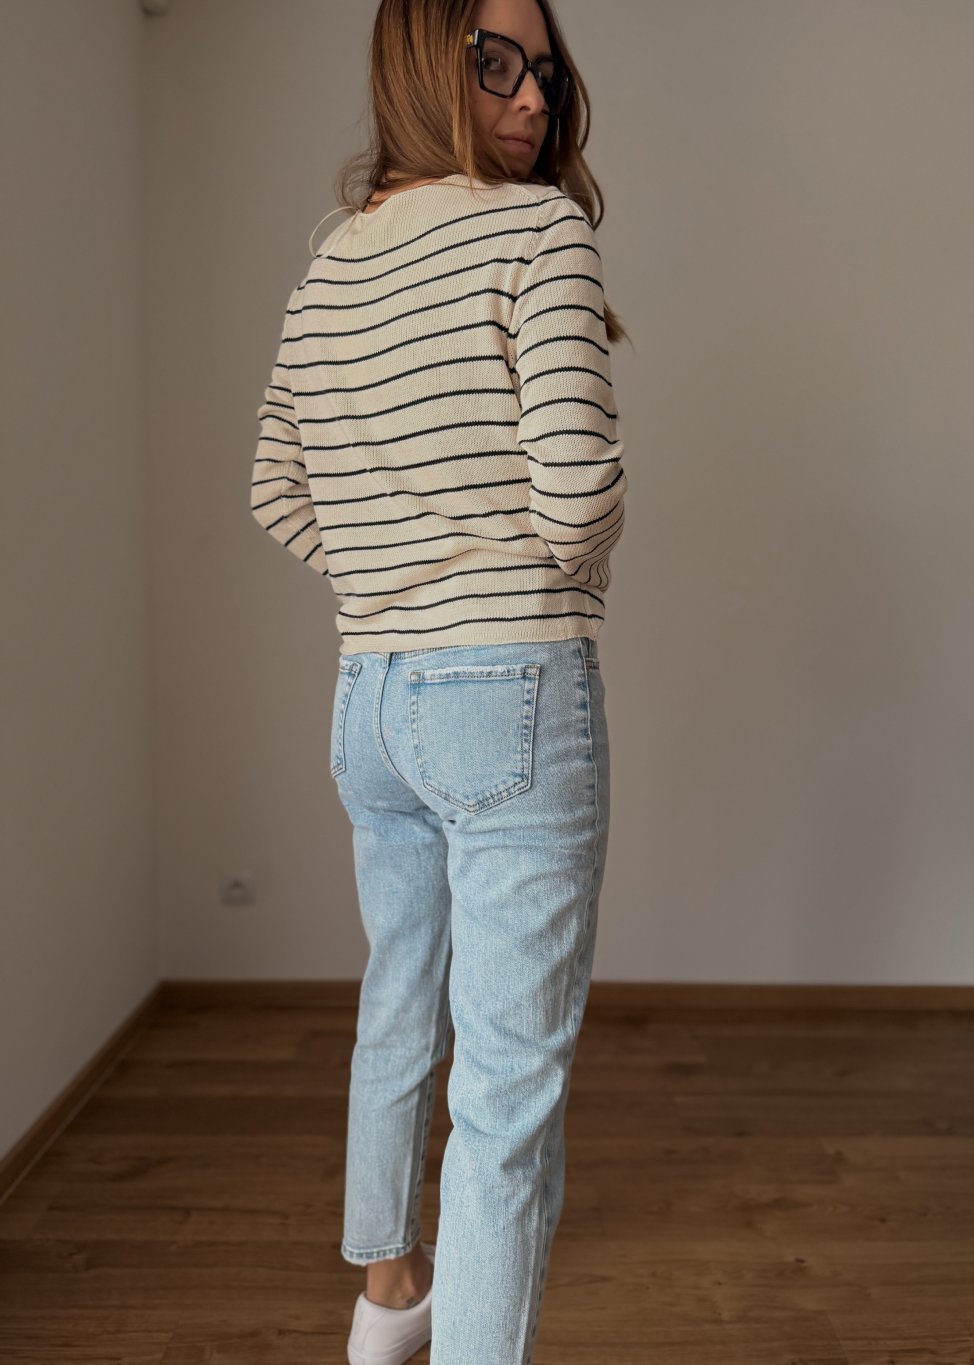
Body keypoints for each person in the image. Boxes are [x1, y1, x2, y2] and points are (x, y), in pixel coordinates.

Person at [250, 1, 629, 1361]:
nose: (532, 97)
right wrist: (544, 577)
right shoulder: (539, 233)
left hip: (373, 702)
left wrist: (388, 582)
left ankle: (388, 1295)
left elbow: (277, 489)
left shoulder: (329, 264)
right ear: (423, 63)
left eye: (546, 71)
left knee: (400, 994)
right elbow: (578, 496)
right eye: (495, 62)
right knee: (508, 1098)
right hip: (510, 689)